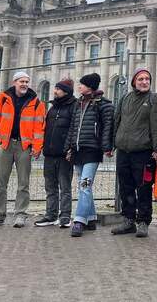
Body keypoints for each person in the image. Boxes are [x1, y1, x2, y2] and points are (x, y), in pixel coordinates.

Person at [0, 71, 45, 228]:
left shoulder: (37, 103)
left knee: (23, 183)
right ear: (14, 82)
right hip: (6, 145)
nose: (24, 84)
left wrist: (37, 147)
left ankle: (20, 215)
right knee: (0, 182)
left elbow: (39, 128)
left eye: (26, 81)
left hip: (24, 146)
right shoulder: (2, 99)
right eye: (21, 81)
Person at [110, 67, 157, 238]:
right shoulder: (125, 98)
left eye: (147, 79)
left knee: (143, 188)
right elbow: (116, 120)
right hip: (124, 151)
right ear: (134, 81)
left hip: (143, 151)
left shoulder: (154, 99)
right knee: (125, 186)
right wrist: (112, 143)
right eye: (141, 79)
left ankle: (143, 221)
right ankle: (128, 219)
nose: (144, 82)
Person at [64, 73, 113, 237]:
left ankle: (79, 221)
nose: (79, 87)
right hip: (78, 151)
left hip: (92, 151)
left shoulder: (103, 104)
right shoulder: (78, 103)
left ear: (90, 86)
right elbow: (72, 127)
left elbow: (107, 127)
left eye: (82, 84)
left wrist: (106, 146)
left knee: (85, 185)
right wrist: (69, 147)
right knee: (83, 185)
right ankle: (91, 218)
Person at [35, 78, 76, 229]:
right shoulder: (52, 109)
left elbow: (73, 129)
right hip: (49, 154)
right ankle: (50, 215)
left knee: (65, 187)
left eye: (58, 89)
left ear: (65, 91)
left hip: (64, 155)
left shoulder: (73, 106)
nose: (55, 91)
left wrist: (70, 149)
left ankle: (65, 215)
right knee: (50, 186)